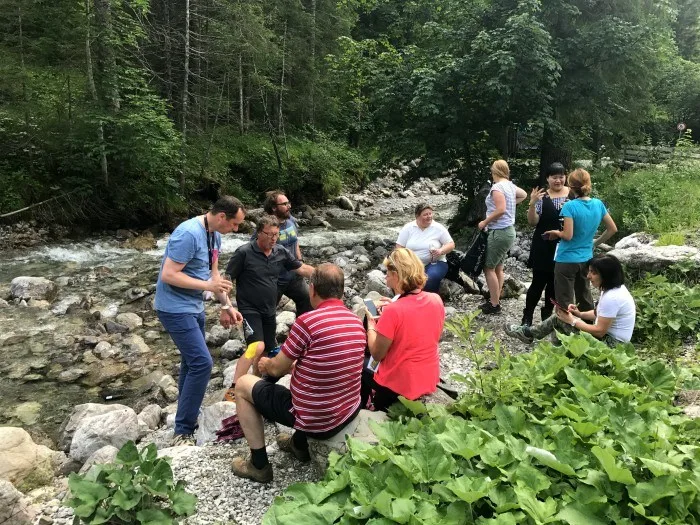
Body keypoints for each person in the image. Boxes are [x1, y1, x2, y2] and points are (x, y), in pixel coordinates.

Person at [230, 263, 366, 483]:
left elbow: (276, 368)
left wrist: (264, 364)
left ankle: (259, 465)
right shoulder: (355, 322)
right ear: (341, 291)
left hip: (317, 420)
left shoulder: (308, 322)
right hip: (345, 412)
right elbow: (324, 364)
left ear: (312, 290)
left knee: (244, 385)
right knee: (316, 388)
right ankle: (299, 445)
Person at [154, 196, 246, 446]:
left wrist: (226, 305)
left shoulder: (214, 234)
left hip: (193, 306)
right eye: (235, 224)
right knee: (202, 363)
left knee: (191, 362)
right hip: (173, 308)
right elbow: (169, 275)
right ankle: (183, 430)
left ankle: (186, 416)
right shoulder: (188, 234)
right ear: (221, 217)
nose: (236, 230)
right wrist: (207, 285)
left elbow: (214, 275)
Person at [225, 215, 314, 386]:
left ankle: (257, 382)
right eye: (269, 234)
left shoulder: (280, 252)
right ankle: (235, 387)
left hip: (269, 309)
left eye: (276, 234)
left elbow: (301, 268)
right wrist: (226, 307)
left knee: (266, 349)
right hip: (249, 308)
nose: (273, 238)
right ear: (259, 233)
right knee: (255, 346)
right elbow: (227, 280)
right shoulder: (244, 253)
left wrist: (324, 275)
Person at [362, 248, 445, 411]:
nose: (385, 276)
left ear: (396, 275)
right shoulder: (436, 299)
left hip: (398, 386)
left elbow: (377, 354)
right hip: (429, 378)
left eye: (387, 272)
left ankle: (364, 409)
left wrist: (371, 326)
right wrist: (395, 304)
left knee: (362, 365)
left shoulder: (393, 311)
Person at [505, 254, 636, 347]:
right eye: (589, 271)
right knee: (561, 321)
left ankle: (529, 333)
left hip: (613, 346)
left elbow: (599, 330)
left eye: (593, 273)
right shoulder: (611, 289)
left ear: (606, 275)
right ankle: (556, 354)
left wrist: (572, 321)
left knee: (560, 319)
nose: (588, 276)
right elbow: (598, 313)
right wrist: (579, 314)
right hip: (607, 339)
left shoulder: (612, 297)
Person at [544, 168, 617, 312]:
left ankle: (566, 330)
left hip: (566, 259)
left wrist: (556, 233)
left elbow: (568, 235)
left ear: (571, 187)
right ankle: (588, 329)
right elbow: (612, 229)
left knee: (564, 301)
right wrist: (594, 243)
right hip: (586, 259)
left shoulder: (569, 206)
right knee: (584, 296)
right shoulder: (598, 204)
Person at [521, 162, 570, 326]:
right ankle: (527, 316)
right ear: (548, 179)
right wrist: (532, 203)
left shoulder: (572, 195)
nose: (558, 180)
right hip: (543, 246)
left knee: (555, 284)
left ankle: (547, 315)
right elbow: (533, 221)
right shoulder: (543, 197)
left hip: (564, 246)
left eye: (561, 177)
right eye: (554, 177)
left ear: (566, 177)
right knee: (538, 282)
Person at [477, 160, 528, 314]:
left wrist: (484, 222)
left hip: (499, 231)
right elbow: (524, 195)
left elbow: (500, 209)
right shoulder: (510, 186)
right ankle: (495, 298)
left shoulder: (497, 187)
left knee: (489, 268)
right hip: (508, 231)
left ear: (494, 171)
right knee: (499, 267)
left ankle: (494, 304)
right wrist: (512, 201)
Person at [260, 190, 312, 315]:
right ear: (273, 208)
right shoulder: (266, 229)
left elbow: (295, 241)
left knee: (307, 302)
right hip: (275, 280)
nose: (289, 206)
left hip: (295, 276)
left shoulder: (291, 221)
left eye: (288, 203)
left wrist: (299, 260)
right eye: (284, 204)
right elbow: (257, 252)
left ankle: (302, 331)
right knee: (267, 313)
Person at [396, 203, 455, 293]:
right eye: (425, 214)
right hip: (412, 264)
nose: (429, 216)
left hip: (435, 262)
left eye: (430, 214)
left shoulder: (438, 228)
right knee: (406, 280)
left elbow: (451, 244)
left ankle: (430, 302)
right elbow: (399, 248)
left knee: (430, 278)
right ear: (417, 216)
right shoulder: (408, 228)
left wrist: (440, 251)